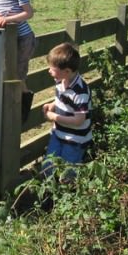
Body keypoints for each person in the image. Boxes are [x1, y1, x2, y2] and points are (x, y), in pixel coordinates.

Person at [41, 43, 93, 182]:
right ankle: (49, 193)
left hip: (74, 139)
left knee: (68, 170)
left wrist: (54, 117)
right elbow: (63, 100)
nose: (49, 71)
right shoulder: (60, 81)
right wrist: (53, 105)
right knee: (48, 165)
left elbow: (79, 120)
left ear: (67, 71)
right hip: (58, 133)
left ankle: (67, 194)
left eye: (53, 69)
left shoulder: (80, 91)